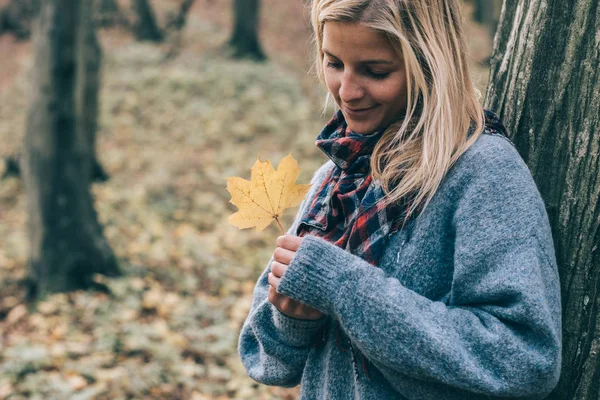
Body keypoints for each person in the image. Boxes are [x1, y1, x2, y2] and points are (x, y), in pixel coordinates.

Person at [238, 0, 562, 399]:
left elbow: (524, 361)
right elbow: (268, 362)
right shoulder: (337, 176)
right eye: (334, 63)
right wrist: (294, 318)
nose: (347, 91)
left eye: (376, 71)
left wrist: (342, 287)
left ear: (429, 63)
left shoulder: (482, 173)